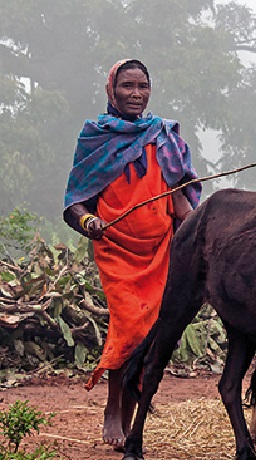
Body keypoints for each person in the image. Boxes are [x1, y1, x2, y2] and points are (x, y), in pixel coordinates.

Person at [62, 59, 200, 450]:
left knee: (152, 332)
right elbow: (76, 201)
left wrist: (198, 230)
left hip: (161, 250)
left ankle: (131, 410)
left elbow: (178, 197)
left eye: (142, 86)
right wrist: (89, 222)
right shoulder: (94, 137)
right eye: (127, 86)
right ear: (112, 90)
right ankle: (112, 409)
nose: (136, 94)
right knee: (128, 324)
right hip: (115, 249)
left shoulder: (165, 136)